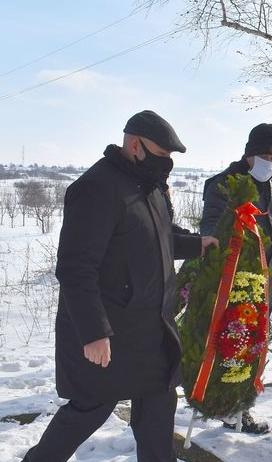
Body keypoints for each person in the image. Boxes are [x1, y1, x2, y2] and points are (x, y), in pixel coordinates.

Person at [24, 110, 219, 462]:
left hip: (150, 328)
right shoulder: (96, 188)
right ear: (134, 145)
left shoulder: (149, 188)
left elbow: (157, 238)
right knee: (91, 408)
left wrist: (198, 244)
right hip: (110, 331)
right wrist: (93, 332)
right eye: (161, 156)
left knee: (159, 406)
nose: (166, 165)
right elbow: (75, 268)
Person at [200, 122, 272, 433]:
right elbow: (210, 228)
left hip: (263, 279)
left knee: (254, 345)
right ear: (249, 152)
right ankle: (228, 405)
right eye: (264, 154)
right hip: (233, 280)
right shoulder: (224, 183)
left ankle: (237, 406)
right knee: (233, 344)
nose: (270, 161)